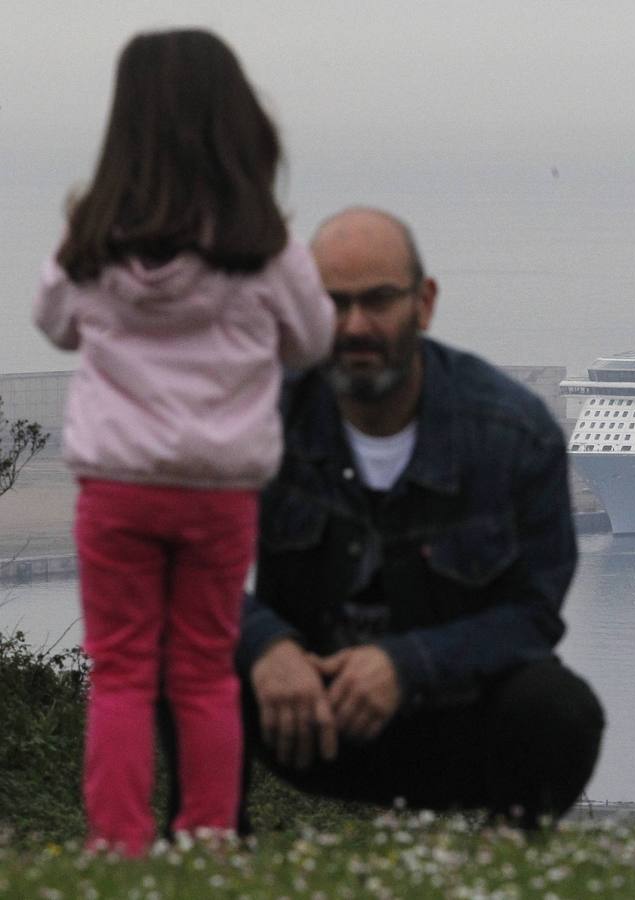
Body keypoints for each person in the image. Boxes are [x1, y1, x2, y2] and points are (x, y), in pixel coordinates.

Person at [32, 30, 335, 856]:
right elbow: (311, 341)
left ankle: (118, 845)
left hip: (117, 489)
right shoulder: (264, 247)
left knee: (123, 671)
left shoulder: (92, 243)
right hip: (218, 491)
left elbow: (53, 322)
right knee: (203, 670)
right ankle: (209, 838)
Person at [231, 207, 604, 829]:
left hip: (454, 718)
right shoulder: (260, 419)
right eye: (332, 303)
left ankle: (504, 863)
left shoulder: (514, 434)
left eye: (377, 300)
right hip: (304, 715)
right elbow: (190, 570)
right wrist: (267, 645)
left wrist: (408, 664)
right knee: (182, 656)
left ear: (424, 303)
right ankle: (205, 853)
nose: (354, 326)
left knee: (560, 711)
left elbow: (534, 614)